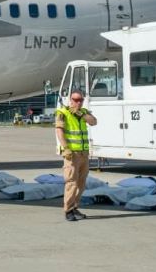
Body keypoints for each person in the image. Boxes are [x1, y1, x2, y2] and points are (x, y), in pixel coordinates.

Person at [55, 89, 97, 222]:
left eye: (81, 100)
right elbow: (59, 131)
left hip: (84, 154)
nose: (78, 102)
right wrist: (66, 148)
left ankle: (75, 207)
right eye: (76, 100)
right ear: (70, 100)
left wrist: (81, 114)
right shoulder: (63, 112)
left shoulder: (84, 112)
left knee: (81, 183)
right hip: (72, 154)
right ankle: (68, 210)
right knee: (71, 183)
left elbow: (93, 122)